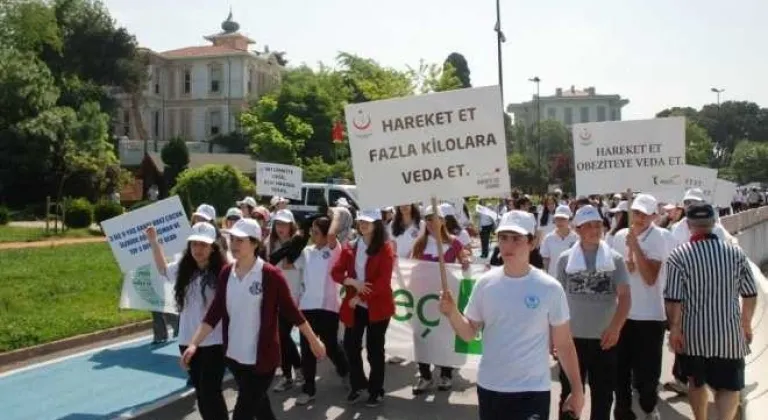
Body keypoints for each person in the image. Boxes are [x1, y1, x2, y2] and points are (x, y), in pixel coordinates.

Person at [439, 210, 584, 420]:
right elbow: (469, 334)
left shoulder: (549, 287)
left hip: (533, 391)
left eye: (516, 239)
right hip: (491, 388)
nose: (508, 245)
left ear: (532, 243)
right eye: (503, 238)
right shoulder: (485, 284)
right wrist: (452, 313)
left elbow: (563, 344)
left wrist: (577, 390)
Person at [181, 218, 327, 420]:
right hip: (234, 357)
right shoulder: (226, 273)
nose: (234, 244)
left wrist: (313, 340)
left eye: (240, 240)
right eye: (232, 239)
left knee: (242, 414)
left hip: (262, 360)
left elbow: (292, 311)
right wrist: (193, 344)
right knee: (260, 407)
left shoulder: (270, 275)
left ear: (255, 243)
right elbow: (214, 313)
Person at [665, 203, 758, 420]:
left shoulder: (679, 256)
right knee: (729, 387)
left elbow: (673, 301)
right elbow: (750, 294)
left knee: (696, 384)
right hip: (730, 334)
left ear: (688, 225)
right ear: (714, 222)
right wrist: (746, 324)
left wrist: (675, 330)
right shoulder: (736, 254)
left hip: (694, 335)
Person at [555, 205, 630, 420]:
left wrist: (616, 328)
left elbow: (625, 297)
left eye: (597, 225)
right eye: (588, 226)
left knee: (603, 395)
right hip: (571, 341)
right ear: (577, 229)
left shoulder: (615, 259)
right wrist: (555, 335)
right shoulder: (565, 260)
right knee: (569, 394)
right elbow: (556, 300)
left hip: (605, 339)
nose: (594, 230)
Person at [147, 222, 228, 420]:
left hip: (214, 341)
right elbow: (163, 269)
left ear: (213, 247)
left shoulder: (224, 273)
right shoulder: (184, 269)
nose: (198, 250)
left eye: (203, 245)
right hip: (187, 341)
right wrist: (154, 242)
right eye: (194, 245)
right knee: (200, 390)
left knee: (211, 391)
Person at [610, 194, 670, 420]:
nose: (639, 218)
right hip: (623, 314)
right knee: (620, 369)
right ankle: (623, 410)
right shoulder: (618, 237)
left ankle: (648, 406)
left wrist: (635, 246)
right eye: (636, 212)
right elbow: (612, 274)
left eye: (645, 214)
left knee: (648, 372)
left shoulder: (659, 238)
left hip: (650, 316)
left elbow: (650, 277)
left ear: (654, 215)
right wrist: (622, 269)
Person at [332, 209, 395, 407]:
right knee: (351, 346)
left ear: (377, 224)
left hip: (378, 307)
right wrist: (349, 280)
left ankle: (376, 390)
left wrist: (359, 296)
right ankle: (358, 385)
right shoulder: (350, 246)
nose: (363, 224)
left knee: (375, 350)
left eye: (367, 221)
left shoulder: (385, 248)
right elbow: (335, 272)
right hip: (355, 307)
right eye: (361, 221)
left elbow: (383, 283)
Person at [410, 205, 472, 394]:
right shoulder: (420, 243)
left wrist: (465, 261)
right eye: (427, 219)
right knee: (421, 337)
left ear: (443, 221)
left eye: (434, 218)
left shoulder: (454, 243)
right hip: (424, 299)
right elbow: (412, 266)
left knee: (445, 336)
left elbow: (465, 260)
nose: (431, 222)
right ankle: (425, 376)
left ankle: (446, 375)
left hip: (446, 298)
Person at [291, 211, 351, 405]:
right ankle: (308, 389)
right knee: (308, 349)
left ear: (326, 235)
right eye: (312, 231)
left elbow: (333, 235)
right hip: (306, 307)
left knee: (331, 345)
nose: (312, 235)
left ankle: (345, 371)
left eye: (316, 232)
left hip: (328, 306)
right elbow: (288, 263)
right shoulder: (307, 252)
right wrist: (299, 236)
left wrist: (335, 216)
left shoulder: (334, 250)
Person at [265, 209, 304, 393]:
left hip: (294, 298)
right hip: (273, 298)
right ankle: (290, 375)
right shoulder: (269, 244)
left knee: (282, 335)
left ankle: (297, 370)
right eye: (277, 224)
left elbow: (303, 269)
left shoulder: (299, 244)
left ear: (291, 226)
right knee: (281, 337)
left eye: (284, 224)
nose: (280, 228)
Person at [540, 205, 578, 276]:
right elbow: (546, 260)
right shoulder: (548, 238)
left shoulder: (577, 238)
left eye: (563, 219)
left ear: (569, 220)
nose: (559, 222)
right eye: (557, 219)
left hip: (571, 279)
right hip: (553, 278)